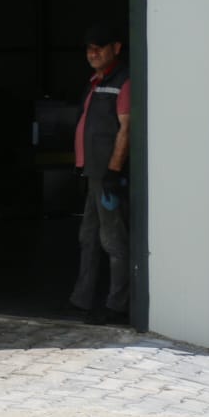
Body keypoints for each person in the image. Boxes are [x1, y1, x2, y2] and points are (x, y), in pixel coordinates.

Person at [69, 22, 131, 325]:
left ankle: (117, 304)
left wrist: (113, 171)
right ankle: (83, 300)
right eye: (89, 48)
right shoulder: (96, 80)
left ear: (116, 49)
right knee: (88, 236)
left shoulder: (124, 81)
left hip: (106, 176)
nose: (93, 53)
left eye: (100, 47)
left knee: (112, 240)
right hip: (92, 173)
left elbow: (125, 129)